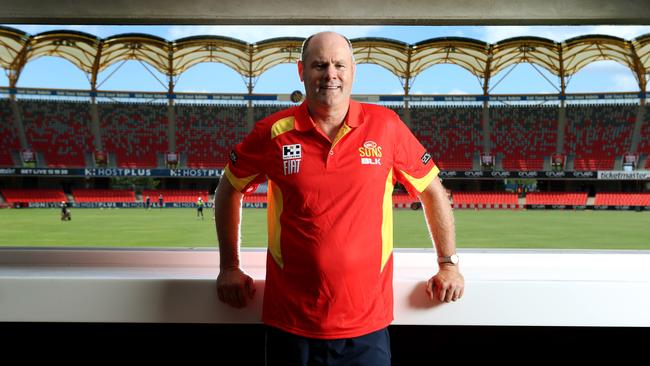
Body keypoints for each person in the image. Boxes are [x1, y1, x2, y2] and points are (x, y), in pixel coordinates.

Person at [214, 31, 464, 365]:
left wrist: (448, 264)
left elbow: (432, 191)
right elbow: (228, 188)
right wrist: (230, 266)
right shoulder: (273, 131)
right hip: (290, 325)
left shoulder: (386, 126)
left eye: (338, 65)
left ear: (352, 71)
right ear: (302, 73)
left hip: (366, 328)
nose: (330, 74)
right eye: (319, 65)